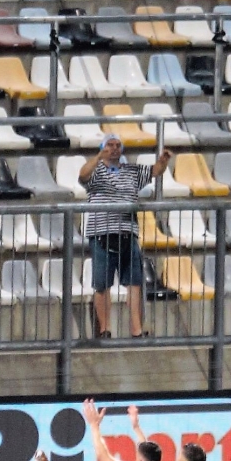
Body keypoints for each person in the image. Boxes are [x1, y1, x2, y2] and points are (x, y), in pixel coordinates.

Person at [78, 135, 171, 340]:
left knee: (134, 283)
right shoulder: (96, 171)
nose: (114, 149)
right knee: (102, 284)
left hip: (128, 233)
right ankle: (104, 329)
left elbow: (154, 171)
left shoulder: (131, 171)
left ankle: (136, 330)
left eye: (118, 145)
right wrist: (97, 157)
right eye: (110, 146)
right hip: (102, 233)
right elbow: (83, 176)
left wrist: (163, 161)